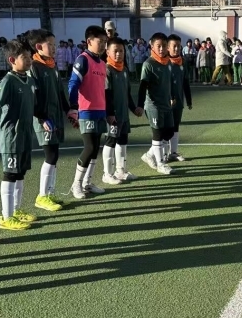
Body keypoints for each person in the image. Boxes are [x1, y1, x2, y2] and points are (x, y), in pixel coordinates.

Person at [0, 39, 38, 231]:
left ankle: (16, 210)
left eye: (30, 56)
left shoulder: (29, 80)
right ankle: (6, 217)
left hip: (25, 134)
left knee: (21, 172)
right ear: (12, 60)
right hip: (11, 135)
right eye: (25, 57)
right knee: (10, 173)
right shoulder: (8, 81)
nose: (29, 60)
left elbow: (34, 106)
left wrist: (44, 118)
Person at [25, 30, 69, 211]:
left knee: (55, 155)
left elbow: (60, 91)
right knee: (50, 155)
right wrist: (42, 117)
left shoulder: (52, 65)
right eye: (50, 45)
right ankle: (42, 196)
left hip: (56, 117)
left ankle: (50, 193)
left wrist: (69, 110)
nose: (54, 48)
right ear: (38, 47)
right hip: (44, 119)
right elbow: (32, 96)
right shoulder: (34, 67)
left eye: (54, 44)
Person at [67, 25, 112, 198]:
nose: (103, 45)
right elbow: (73, 83)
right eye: (100, 42)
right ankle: (76, 184)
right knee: (89, 147)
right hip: (86, 111)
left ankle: (87, 182)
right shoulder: (83, 60)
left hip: (100, 111)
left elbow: (105, 90)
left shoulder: (102, 63)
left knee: (95, 149)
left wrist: (109, 112)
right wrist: (73, 107)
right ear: (89, 41)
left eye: (105, 42)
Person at [101, 35, 142, 184]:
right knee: (110, 141)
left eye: (121, 51)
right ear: (108, 52)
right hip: (113, 115)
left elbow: (127, 93)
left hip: (124, 114)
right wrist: (110, 113)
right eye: (115, 51)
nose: (119, 54)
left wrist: (134, 108)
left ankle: (121, 171)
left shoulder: (124, 69)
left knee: (123, 141)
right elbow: (106, 94)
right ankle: (107, 173)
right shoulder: (107, 70)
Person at [138, 33, 175, 175]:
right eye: (158, 46)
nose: (161, 49)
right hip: (153, 105)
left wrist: (172, 96)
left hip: (166, 104)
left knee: (169, 132)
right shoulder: (148, 64)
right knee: (158, 134)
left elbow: (169, 82)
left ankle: (149, 155)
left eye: (164, 46)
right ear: (152, 46)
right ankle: (161, 164)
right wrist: (140, 105)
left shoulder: (168, 62)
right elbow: (143, 86)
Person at [167, 34, 192, 162]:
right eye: (174, 46)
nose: (176, 48)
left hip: (179, 100)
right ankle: (158, 154)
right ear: (168, 47)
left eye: (178, 46)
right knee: (165, 127)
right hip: (166, 102)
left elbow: (185, 82)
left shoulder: (183, 62)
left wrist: (189, 100)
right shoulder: (164, 62)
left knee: (176, 125)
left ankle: (173, 152)